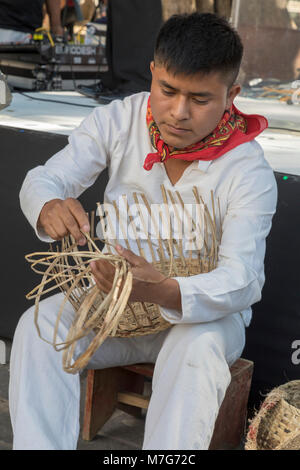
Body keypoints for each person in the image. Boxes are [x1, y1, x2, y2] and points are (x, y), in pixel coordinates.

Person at [9, 13, 277, 450]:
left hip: (201, 319)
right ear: (152, 72)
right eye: (167, 90)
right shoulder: (118, 120)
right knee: (38, 326)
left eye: (200, 99)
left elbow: (242, 280)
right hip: (116, 307)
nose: (178, 112)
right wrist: (48, 205)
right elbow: (46, 178)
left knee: (195, 351)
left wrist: (162, 290)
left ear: (232, 95)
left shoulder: (248, 169)